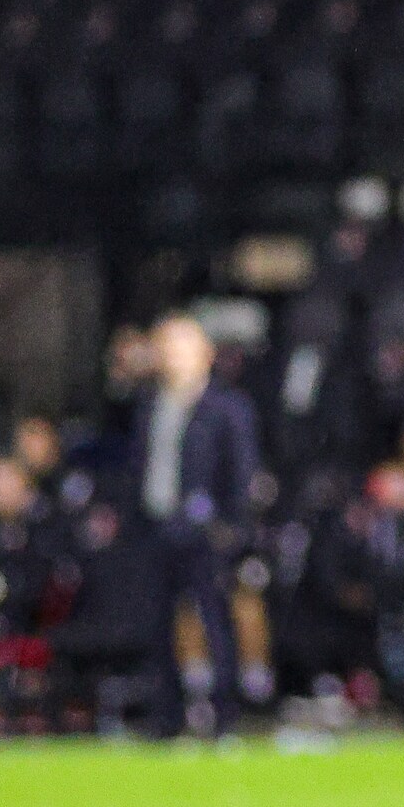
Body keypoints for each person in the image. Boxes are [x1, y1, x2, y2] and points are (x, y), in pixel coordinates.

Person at [134, 313, 261, 737]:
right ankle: (166, 717)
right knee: (156, 623)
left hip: (206, 533)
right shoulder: (150, 403)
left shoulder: (226, 407)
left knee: (215, 619)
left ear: (205, 354)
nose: (171, 355)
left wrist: (230, 527)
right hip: (158, 526)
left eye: (181, 346)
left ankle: (225, 715)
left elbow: (241, 472)